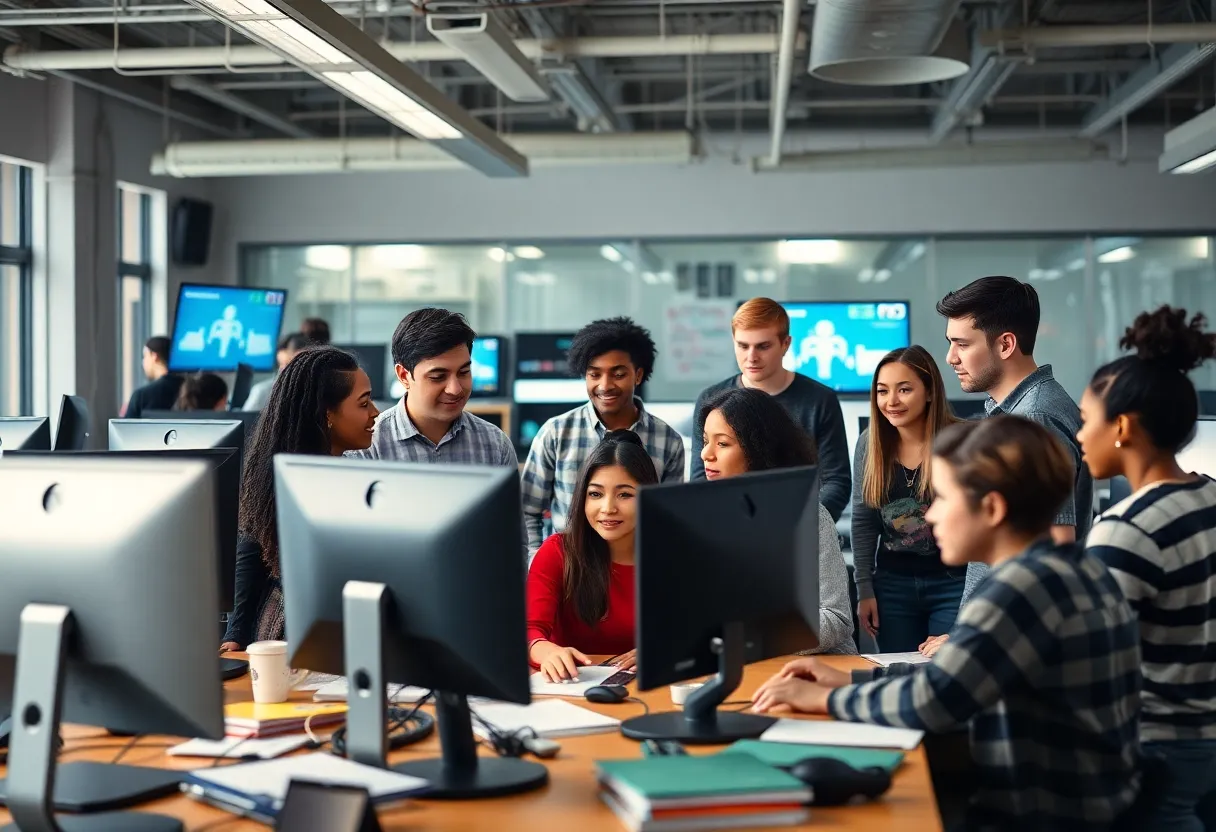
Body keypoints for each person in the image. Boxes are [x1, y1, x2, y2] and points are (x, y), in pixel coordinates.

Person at [752, 416, 1142, 831]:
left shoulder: (1020, 589)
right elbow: (956, 674)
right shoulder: (1072, 568)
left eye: (943, 498)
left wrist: (823, 701)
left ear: (991, 508)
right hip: (1097, 806)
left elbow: (934, 701)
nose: (931, 515)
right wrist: (848, 682)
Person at [1079, 306, 1216, 832]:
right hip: (1202, 738)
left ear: (1120, 427)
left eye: (1086, 421)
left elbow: (1089, 656)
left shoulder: (1128, 527)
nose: (1078, 435)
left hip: (1154, 745)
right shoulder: (1207, 498)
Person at [922, 275, 1093, 656]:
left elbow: (1054, 546)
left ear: (1006, 344)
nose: (950, 358)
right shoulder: (1013, 411)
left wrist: (983, 637)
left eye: (962, 344)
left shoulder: (1036, 417)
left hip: (1009, 640)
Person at [219, 347, 379, 650]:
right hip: (290, 639)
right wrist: (234, 634)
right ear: (327, 414)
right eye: (364, 402)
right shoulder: (281, 480)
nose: (375, 412)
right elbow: (251, 554)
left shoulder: (358, 478)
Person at [699, 386, 855, 654]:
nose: (706, 454)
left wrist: (755, 636)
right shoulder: (706, 519)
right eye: (705, 441)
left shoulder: (808, 518)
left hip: (817, 669)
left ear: (757, 450)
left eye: (722, 443)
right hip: (747, 666)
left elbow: (836, 619)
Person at [521, 317, 685, 559]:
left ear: (638, 375)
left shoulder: (668, 442)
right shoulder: (555, 433)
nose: (605, 385)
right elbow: (527, 511)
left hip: (637, 571)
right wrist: (539, 564)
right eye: (594, 374)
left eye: (618, 374)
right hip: (569, 572)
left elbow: (670, 521)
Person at [691, 298, 851, 521]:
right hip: (730, 525)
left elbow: (836, 480)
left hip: (801, 524)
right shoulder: (711, 399)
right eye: (743, 346)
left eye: (763, 346)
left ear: (785, 344)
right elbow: (701, 478)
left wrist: (803, 523)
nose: (751, 357)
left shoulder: (820, 400)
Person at [852, 346, 963, 653]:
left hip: (954, 582)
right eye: (882, 391)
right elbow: (863, 522)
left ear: (929, 392)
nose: (891, 401)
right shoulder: (870, 443)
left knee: (949, 670)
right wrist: (864, 589)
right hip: (892, 586)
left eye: (904, 390)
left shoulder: (961, 440)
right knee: (897, 675)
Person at [527, 431, 659, 682]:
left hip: (647, 686)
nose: (608, 508)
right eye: (596, 494)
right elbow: (528, 631)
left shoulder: (672, 557)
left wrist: (664, 651)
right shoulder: (558, 551)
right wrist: (549, 653)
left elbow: (701, 634)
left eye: (625, 494)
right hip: (574, 688)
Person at [350, 308, 517, 467]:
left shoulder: (495, 446)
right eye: (438, 377)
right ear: (403, 376)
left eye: (464, 372)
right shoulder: (366, 447)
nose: (455, 389)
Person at [242, 332, 312, 412]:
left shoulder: (317, 391)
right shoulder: (263, 391)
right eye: (283, 364)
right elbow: (247, 420)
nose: (285, 370)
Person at [122, 336, 183, 418]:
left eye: (145, 356)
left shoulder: (142, 396)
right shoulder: (190, 390)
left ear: (154, 357)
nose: (143, 362)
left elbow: (126, 429)